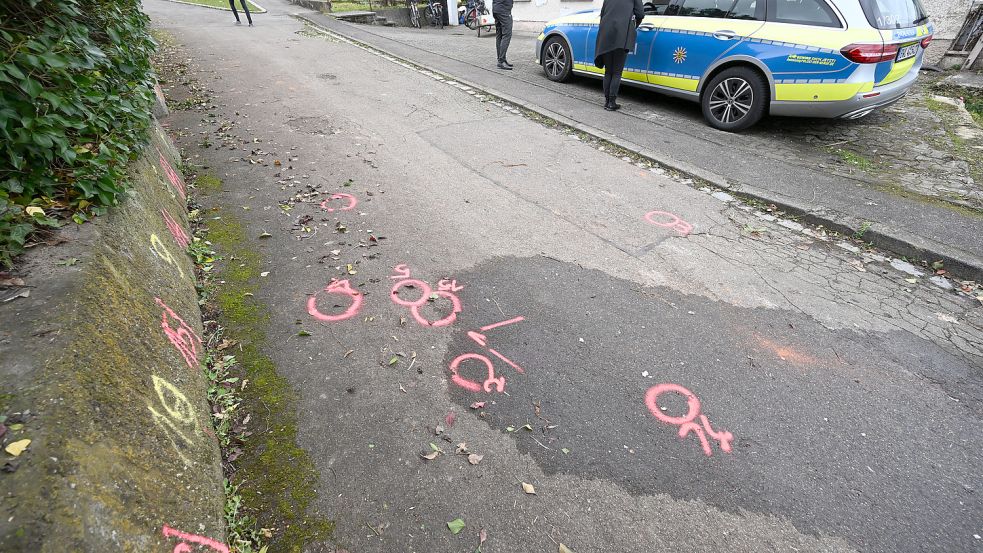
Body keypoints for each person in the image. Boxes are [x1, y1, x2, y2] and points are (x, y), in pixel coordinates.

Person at [594, 0, 644, 110]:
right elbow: (640, 14)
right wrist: (634, 25)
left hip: (605, 33)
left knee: (608, 71)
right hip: (622, 33)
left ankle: (607, 101)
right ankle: (612, 103)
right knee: (616, 71)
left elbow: (602, 14)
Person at [492, 0, 514, 70]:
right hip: (503, 10)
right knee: (507, 35)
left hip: (496, 9)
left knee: (499, 35)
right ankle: (501, 61)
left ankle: (501, 60)